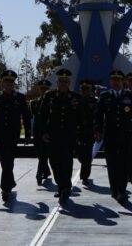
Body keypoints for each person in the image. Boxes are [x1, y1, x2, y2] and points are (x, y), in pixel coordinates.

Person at [94, 69, 132, 204]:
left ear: (123, 81)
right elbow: (98, 115)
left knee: (124, 164)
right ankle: (115, 190)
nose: (116, 82)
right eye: (114, 80)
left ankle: (122, 190)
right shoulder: (104, 96)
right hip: (110, 136)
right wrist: (97, 130)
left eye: (119, 80)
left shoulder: (129, 96)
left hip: (126, 136)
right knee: (112, 164)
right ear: (110, 81)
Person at [38, 68, 85, 205]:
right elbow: (42, 116)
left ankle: (66, 187)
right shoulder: (49, 96)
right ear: (57, 82)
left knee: (67, 162)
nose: (63, 84)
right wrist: (44, 133)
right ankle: (60, 185)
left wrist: (81, 135)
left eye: (66, 81)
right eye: (61, 81)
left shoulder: (76, 98)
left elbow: (82, 118)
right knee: (54, 162)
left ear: (69, 83)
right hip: (53, 136)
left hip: (69, 137)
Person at [0, 69, 31, 202]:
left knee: (9, 161)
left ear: (14, 83)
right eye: (6, 81)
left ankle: (5, 189)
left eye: (11, 81)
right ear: (2, 82)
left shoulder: (19, 97)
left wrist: (28, 134)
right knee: (4, 161)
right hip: (0, 133)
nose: (9, 83)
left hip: (13, 134)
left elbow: (27, 116)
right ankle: (10, 182)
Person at [31, 79, 52, 185]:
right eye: (42, 88)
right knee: (40, 154)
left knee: (44, 153)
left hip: (47, 132)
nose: (44, 90)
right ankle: (46, 170)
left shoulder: (53, 102)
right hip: (37, 131)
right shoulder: (34, 103)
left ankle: (39, 173)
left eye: (46, 89)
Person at [77, 80, 98, 185]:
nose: (85, 91)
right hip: (78, 131)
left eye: (87, 89)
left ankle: (85, 176)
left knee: (88, 155)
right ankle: (84, 166)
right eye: (83, 89)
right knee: (79, 154)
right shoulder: (77, 100)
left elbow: (97, 116)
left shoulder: (94, 101)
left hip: (90, 131)